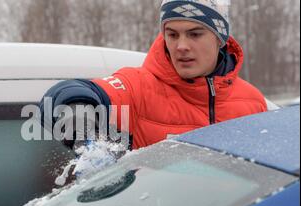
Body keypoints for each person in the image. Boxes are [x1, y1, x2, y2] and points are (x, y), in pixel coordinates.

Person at [39, 0, 267, 150]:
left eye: (194, 34)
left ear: (220, 38)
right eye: (172, 34)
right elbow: (63, 94)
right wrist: (77, 111)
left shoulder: (253, 102)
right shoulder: (138, 87)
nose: (181, 46)